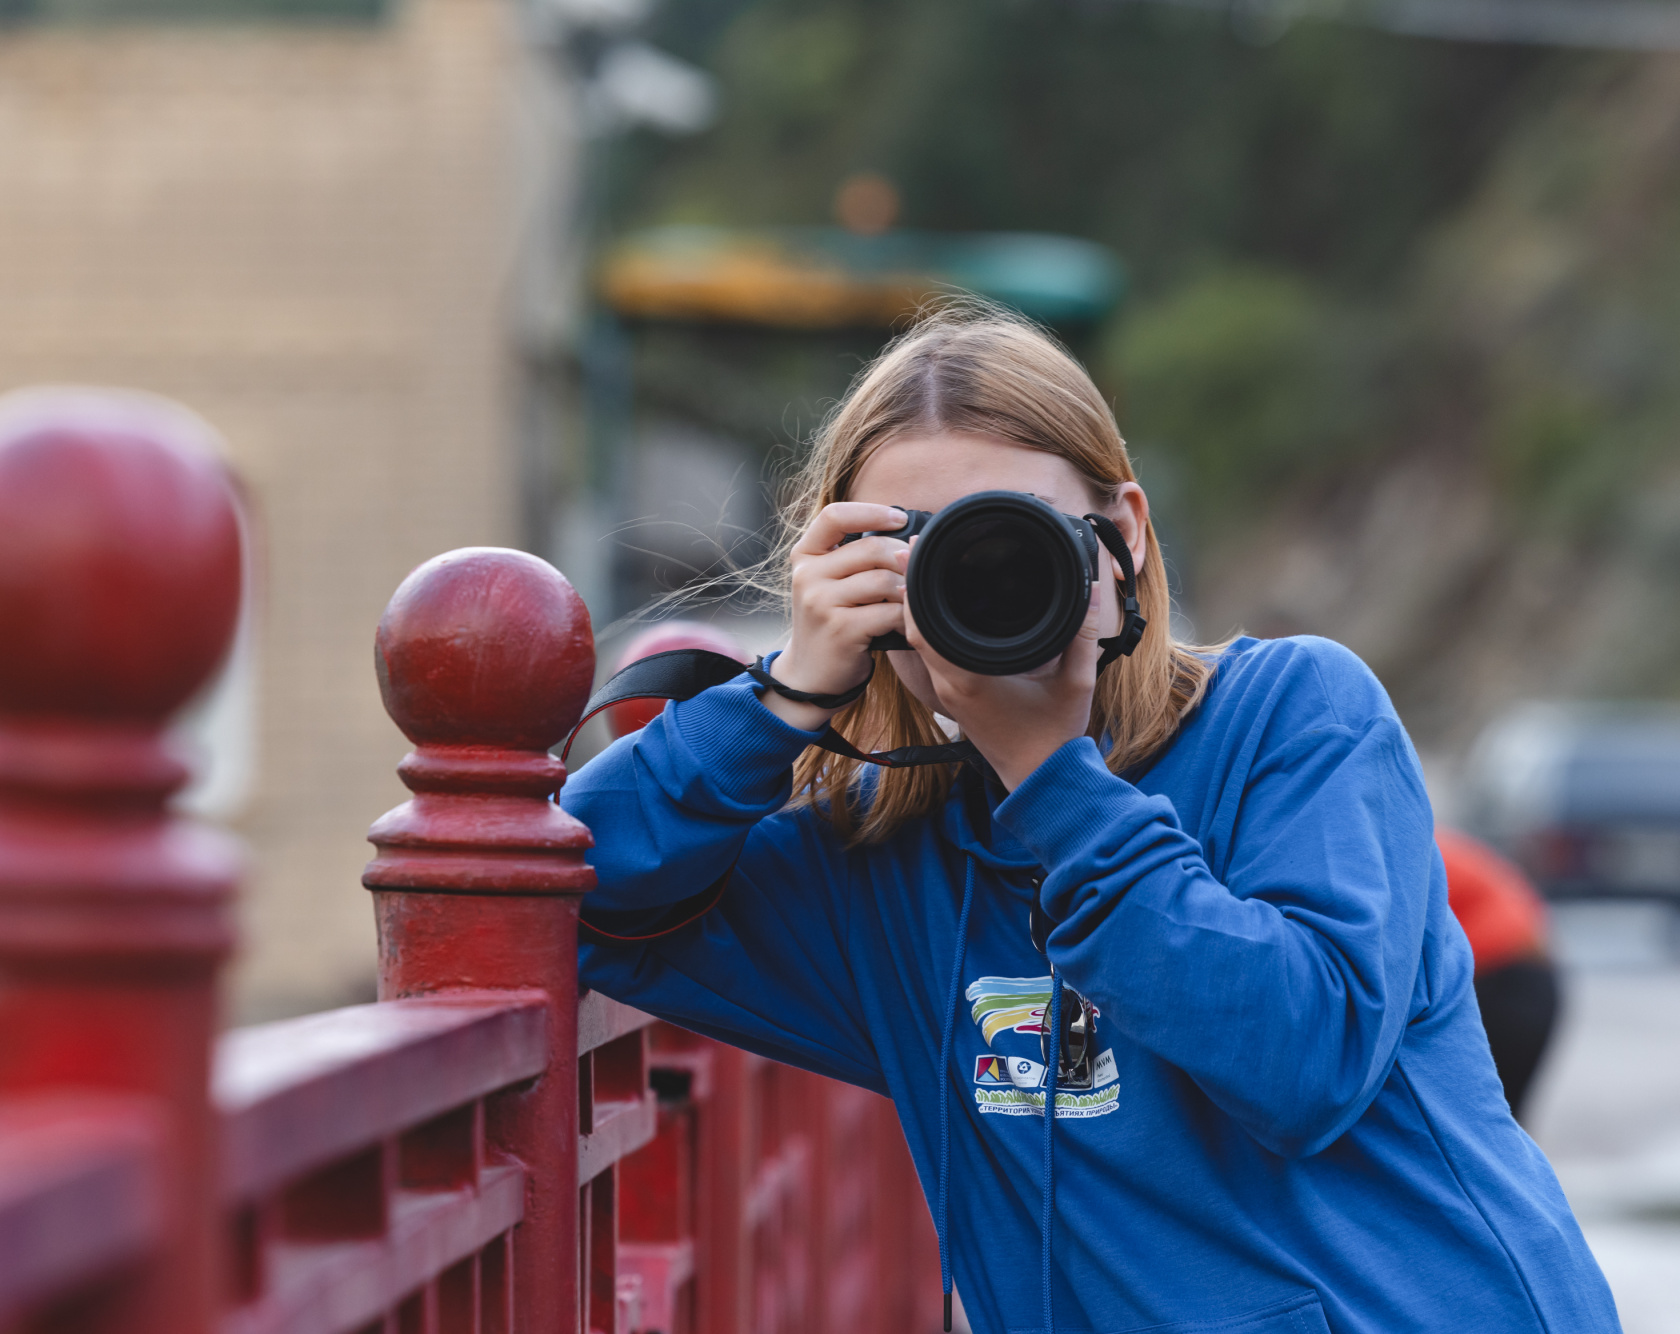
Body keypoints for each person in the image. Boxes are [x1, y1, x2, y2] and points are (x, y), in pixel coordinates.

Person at [566, 309, 1618, 1334]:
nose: (974, 577)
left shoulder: (1295, 715)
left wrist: (1048, 777)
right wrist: (783, 695)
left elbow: (1305, 1060)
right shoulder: (877, 859)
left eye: (1012, 533)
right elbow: (573, 891)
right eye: (912, 548)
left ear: (1123, 537)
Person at [1437, 827, 1560, 1122]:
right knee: (1499, 1123)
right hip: (1534, 977)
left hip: (1503, 980)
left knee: (1475, 1123)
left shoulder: (1394, 853)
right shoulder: (1424, 839)